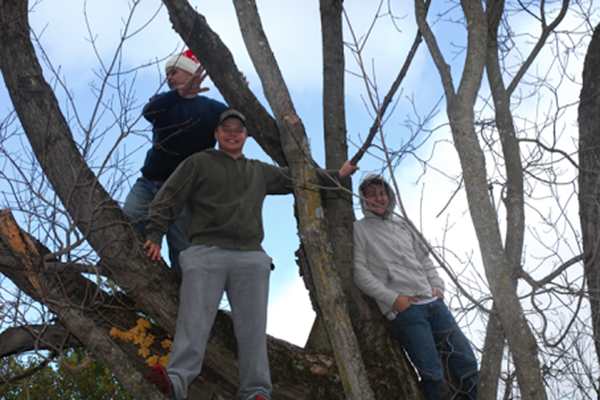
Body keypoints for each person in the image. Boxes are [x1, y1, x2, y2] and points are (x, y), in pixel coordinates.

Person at [145, 110, 359, 400]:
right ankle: (177, 381)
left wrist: (338, 175)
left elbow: (300, 179)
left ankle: (255, 392)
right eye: (226, 129)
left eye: (238, 130)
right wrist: (155, 234)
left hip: (250, 258)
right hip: (205, 252)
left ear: (246, 136)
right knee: (193, 320)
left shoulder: (259, 170)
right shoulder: (198, 163)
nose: (232, 134)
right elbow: (168, 197)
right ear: (217, 134)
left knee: (252, 330)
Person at [353, 174, 478, 400]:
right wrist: (393, 299)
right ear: (363, 200)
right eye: (371, 195)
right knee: (433, 375)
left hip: (434, 304)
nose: (378, 198)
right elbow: (360, 273)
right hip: (406, 310)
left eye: (382, 193)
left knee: (466, 362)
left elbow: (425, 259)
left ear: (390, 196)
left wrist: (438, 288)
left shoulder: (403, 223)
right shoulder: (359, 229)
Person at [123, 49, 228, 275]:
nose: (168, 77)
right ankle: (135, 278)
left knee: (183, 250)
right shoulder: (163, 102)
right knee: (125, 224)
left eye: (174, 72)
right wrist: (179, 92)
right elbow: (149, 112)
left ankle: (187, 299)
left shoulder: (212, 109)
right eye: (167, 74)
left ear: (191, 73)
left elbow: (238, 124)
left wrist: (240, 91)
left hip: (184, 191)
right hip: (149, 183)